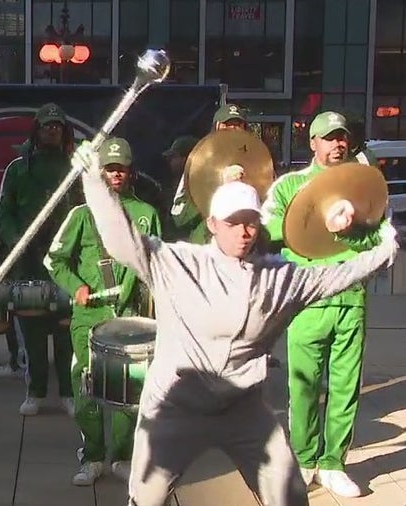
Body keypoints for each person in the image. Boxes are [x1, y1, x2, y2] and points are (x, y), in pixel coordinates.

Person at [71, 140, 397, 506]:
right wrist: (94, 184)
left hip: (243, 409)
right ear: (212, 224)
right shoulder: (178, 263)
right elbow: (121, 240)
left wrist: (385, 246)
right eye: (233, 223)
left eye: (250, 222)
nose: (243, 232)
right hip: (176, 406)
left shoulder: (282, 277)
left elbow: (341, 274)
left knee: (289, 496)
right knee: (146, 499)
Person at [261, 111, 382, 498]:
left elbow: (382, 242)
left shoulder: (363, 186)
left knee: (346, 388)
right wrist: (310, 222)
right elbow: (268, 228)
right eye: (328, 138)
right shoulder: (290, 185)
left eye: (342, 137)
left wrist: (353, 230)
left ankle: (333, 464)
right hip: (308, 300)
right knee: (304, 387)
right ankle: (305, 458)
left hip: (350, 301)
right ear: (312, 142)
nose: (337, 144)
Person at [44, 137, 161, 487]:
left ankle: (122, 456)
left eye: (121, 168)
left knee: (131, 392)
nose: (115, 175)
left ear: (131, 172)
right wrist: (75, 286)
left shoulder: (146, 215)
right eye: (109, 169)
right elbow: (54, 260)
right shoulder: (81, 215)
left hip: (130, 320)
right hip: (89, 319)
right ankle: (92, 455)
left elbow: (157, 266)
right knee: (86, 389)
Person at [0, 103, 78, 417]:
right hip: (29, 260)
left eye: (57, 125)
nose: (52, 129)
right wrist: (16, 241)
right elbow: (4, 212)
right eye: (46, 125)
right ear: (37, 130)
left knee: (66, 328)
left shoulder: (75, 167)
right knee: (30, 327)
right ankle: (36, 390)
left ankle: (69, 392)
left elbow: (87, 210)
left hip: (66, 260)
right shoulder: (17, 168)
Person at [169, 103, 249, 244]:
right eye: (227, 125)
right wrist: (215, 185)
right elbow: (179, 217)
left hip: (242, 247)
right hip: (205, 248)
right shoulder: (198, 164)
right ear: (217, 127)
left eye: (238, 125)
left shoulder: (258, 164)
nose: (233, 129)